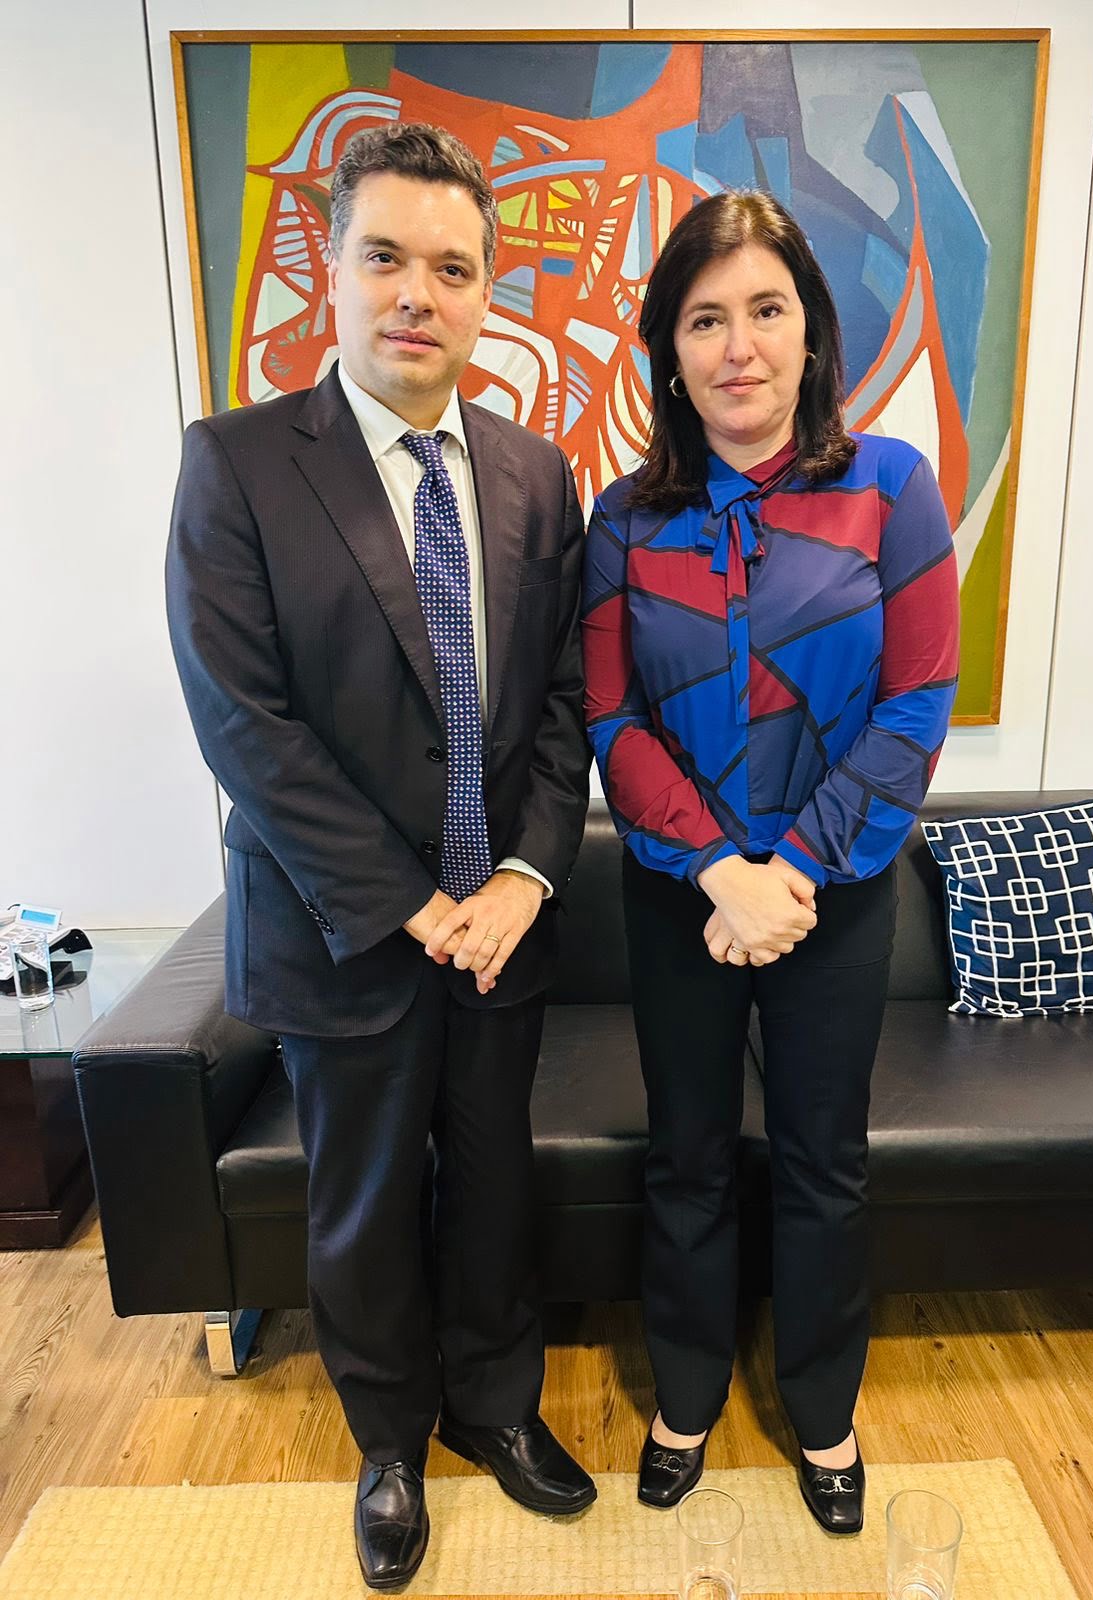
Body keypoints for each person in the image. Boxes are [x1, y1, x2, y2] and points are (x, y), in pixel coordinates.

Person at [167, 122, 595, 1589]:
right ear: (335, 272)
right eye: (387, 258)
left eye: (454, 268)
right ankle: (390, 1444)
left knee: (493, 1183)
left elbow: (563, 703)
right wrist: (416, 904)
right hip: (342, 928)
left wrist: (523, 878)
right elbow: (244, 723)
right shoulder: (237, 464)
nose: (419, 292)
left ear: (488, 296)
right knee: (358, 1202)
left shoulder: (540, 475)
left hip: (504, 928)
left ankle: (496, 1408)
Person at [582, 190, 959, 1534]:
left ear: (811, 331)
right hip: (680, 896)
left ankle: (823, 1410)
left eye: (765, 310)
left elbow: (916, 705)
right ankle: (685, 1398)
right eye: (704, 319)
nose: (737, 346)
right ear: (669, 350)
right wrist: (716, 872)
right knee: (685, 1155)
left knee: (822, 1161)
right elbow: (611, 718)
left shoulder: (893, 490)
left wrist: (788, 870)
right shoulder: (623, 522)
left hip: (832, 899)